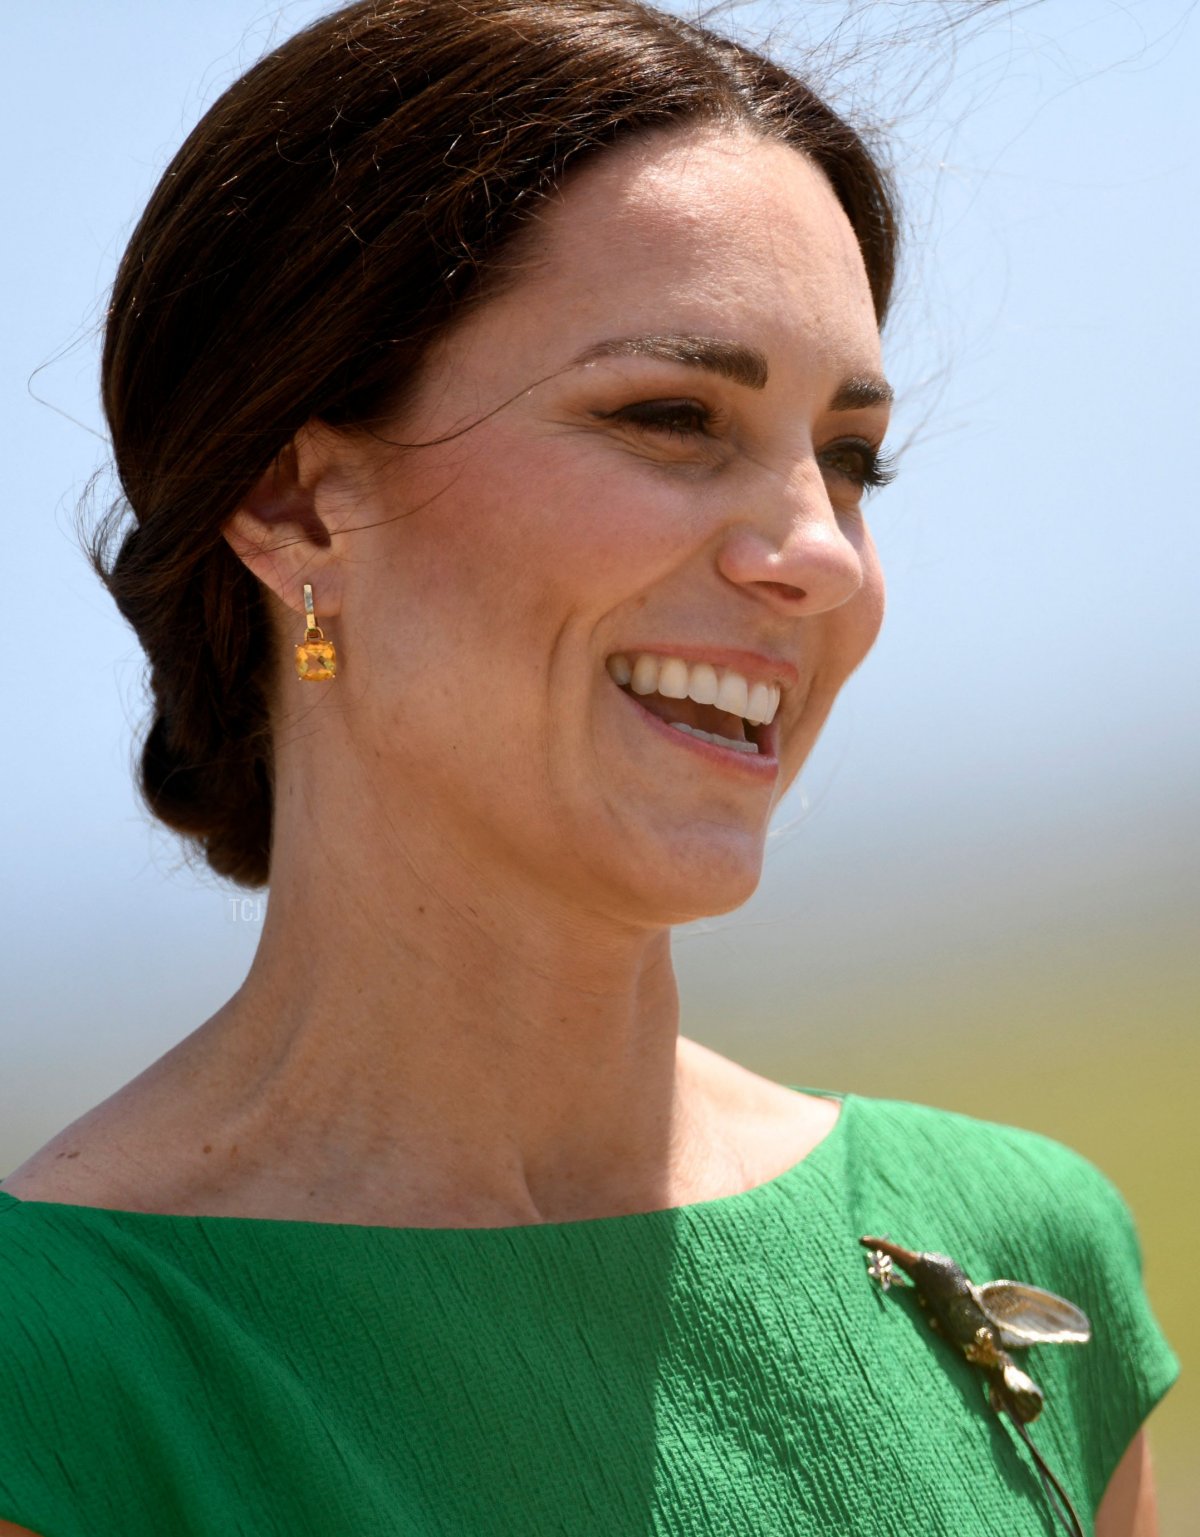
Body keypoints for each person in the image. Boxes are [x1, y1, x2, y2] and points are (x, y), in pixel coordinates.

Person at [0, 1, 1177, 1533]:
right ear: (293, 503)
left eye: (847, 457)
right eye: (671, 416)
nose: (819, 553)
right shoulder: (62, 1372)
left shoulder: (1017, 1252)